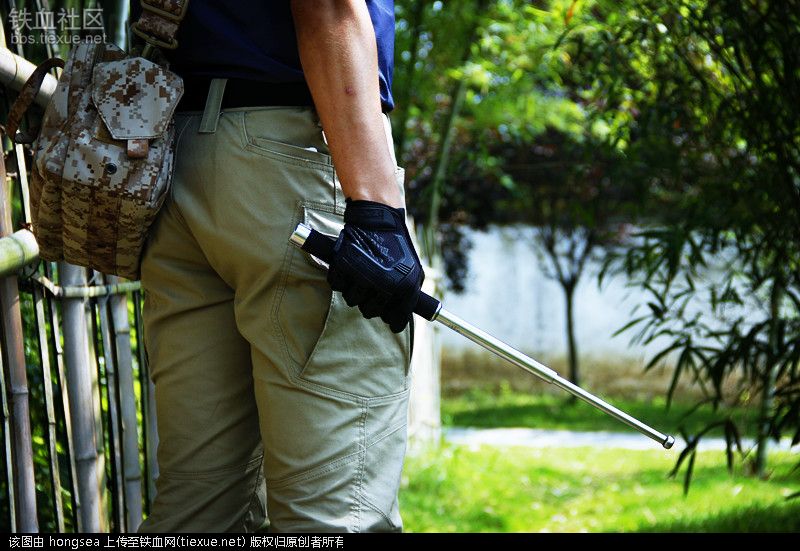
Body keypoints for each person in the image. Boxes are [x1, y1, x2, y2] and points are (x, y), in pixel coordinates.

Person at [131, 0, 424, 533]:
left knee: (199, 507)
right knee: (335, 514)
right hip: (289, 159)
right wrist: (377, 209)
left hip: (181, 157)